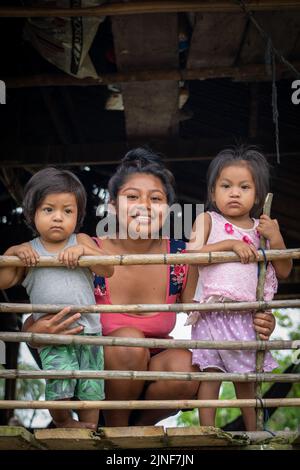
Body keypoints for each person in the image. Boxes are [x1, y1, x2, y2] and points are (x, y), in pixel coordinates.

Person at [22, 148, 277, 427]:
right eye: (132, 197)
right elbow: (43, 305)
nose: (144, 205)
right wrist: (34, 331)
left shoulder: (182, 258)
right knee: (129, 343)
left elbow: (210, 312)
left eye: (155, 198)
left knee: (190, 363)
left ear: (168, 209)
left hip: (151, 381)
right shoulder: (85, 251)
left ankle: (134, 429)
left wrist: (262, 318)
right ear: (112, 206)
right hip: (94, 376)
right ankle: (117, 431)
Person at [187, 145, 292, 431]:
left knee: (246, 380)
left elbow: (283, 269)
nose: (234, 192)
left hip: (245, 317)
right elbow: (191, 255)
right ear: (212, 192)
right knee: (210, 376)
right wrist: (230, 244)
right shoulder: (207, 220)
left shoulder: (263, 228)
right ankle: (205, 431)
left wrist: (277, 238)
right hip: (211, 314)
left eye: (244, 187)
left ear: (257, 195)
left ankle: (254, 431)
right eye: (226, 186)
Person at [0, 168, 113, 429]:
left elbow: (108, 269)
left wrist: (84, 250)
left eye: (67, 211)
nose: (58, 218)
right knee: (58, 383)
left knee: (91, 388)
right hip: (55, 336)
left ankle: (90, 429)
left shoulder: (81, 240)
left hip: (90, 333)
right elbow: (3, 280)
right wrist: (12, 251)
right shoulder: (28, 253)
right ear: (32, 214)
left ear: (78, 216)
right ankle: (63, 422)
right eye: (48, 210)